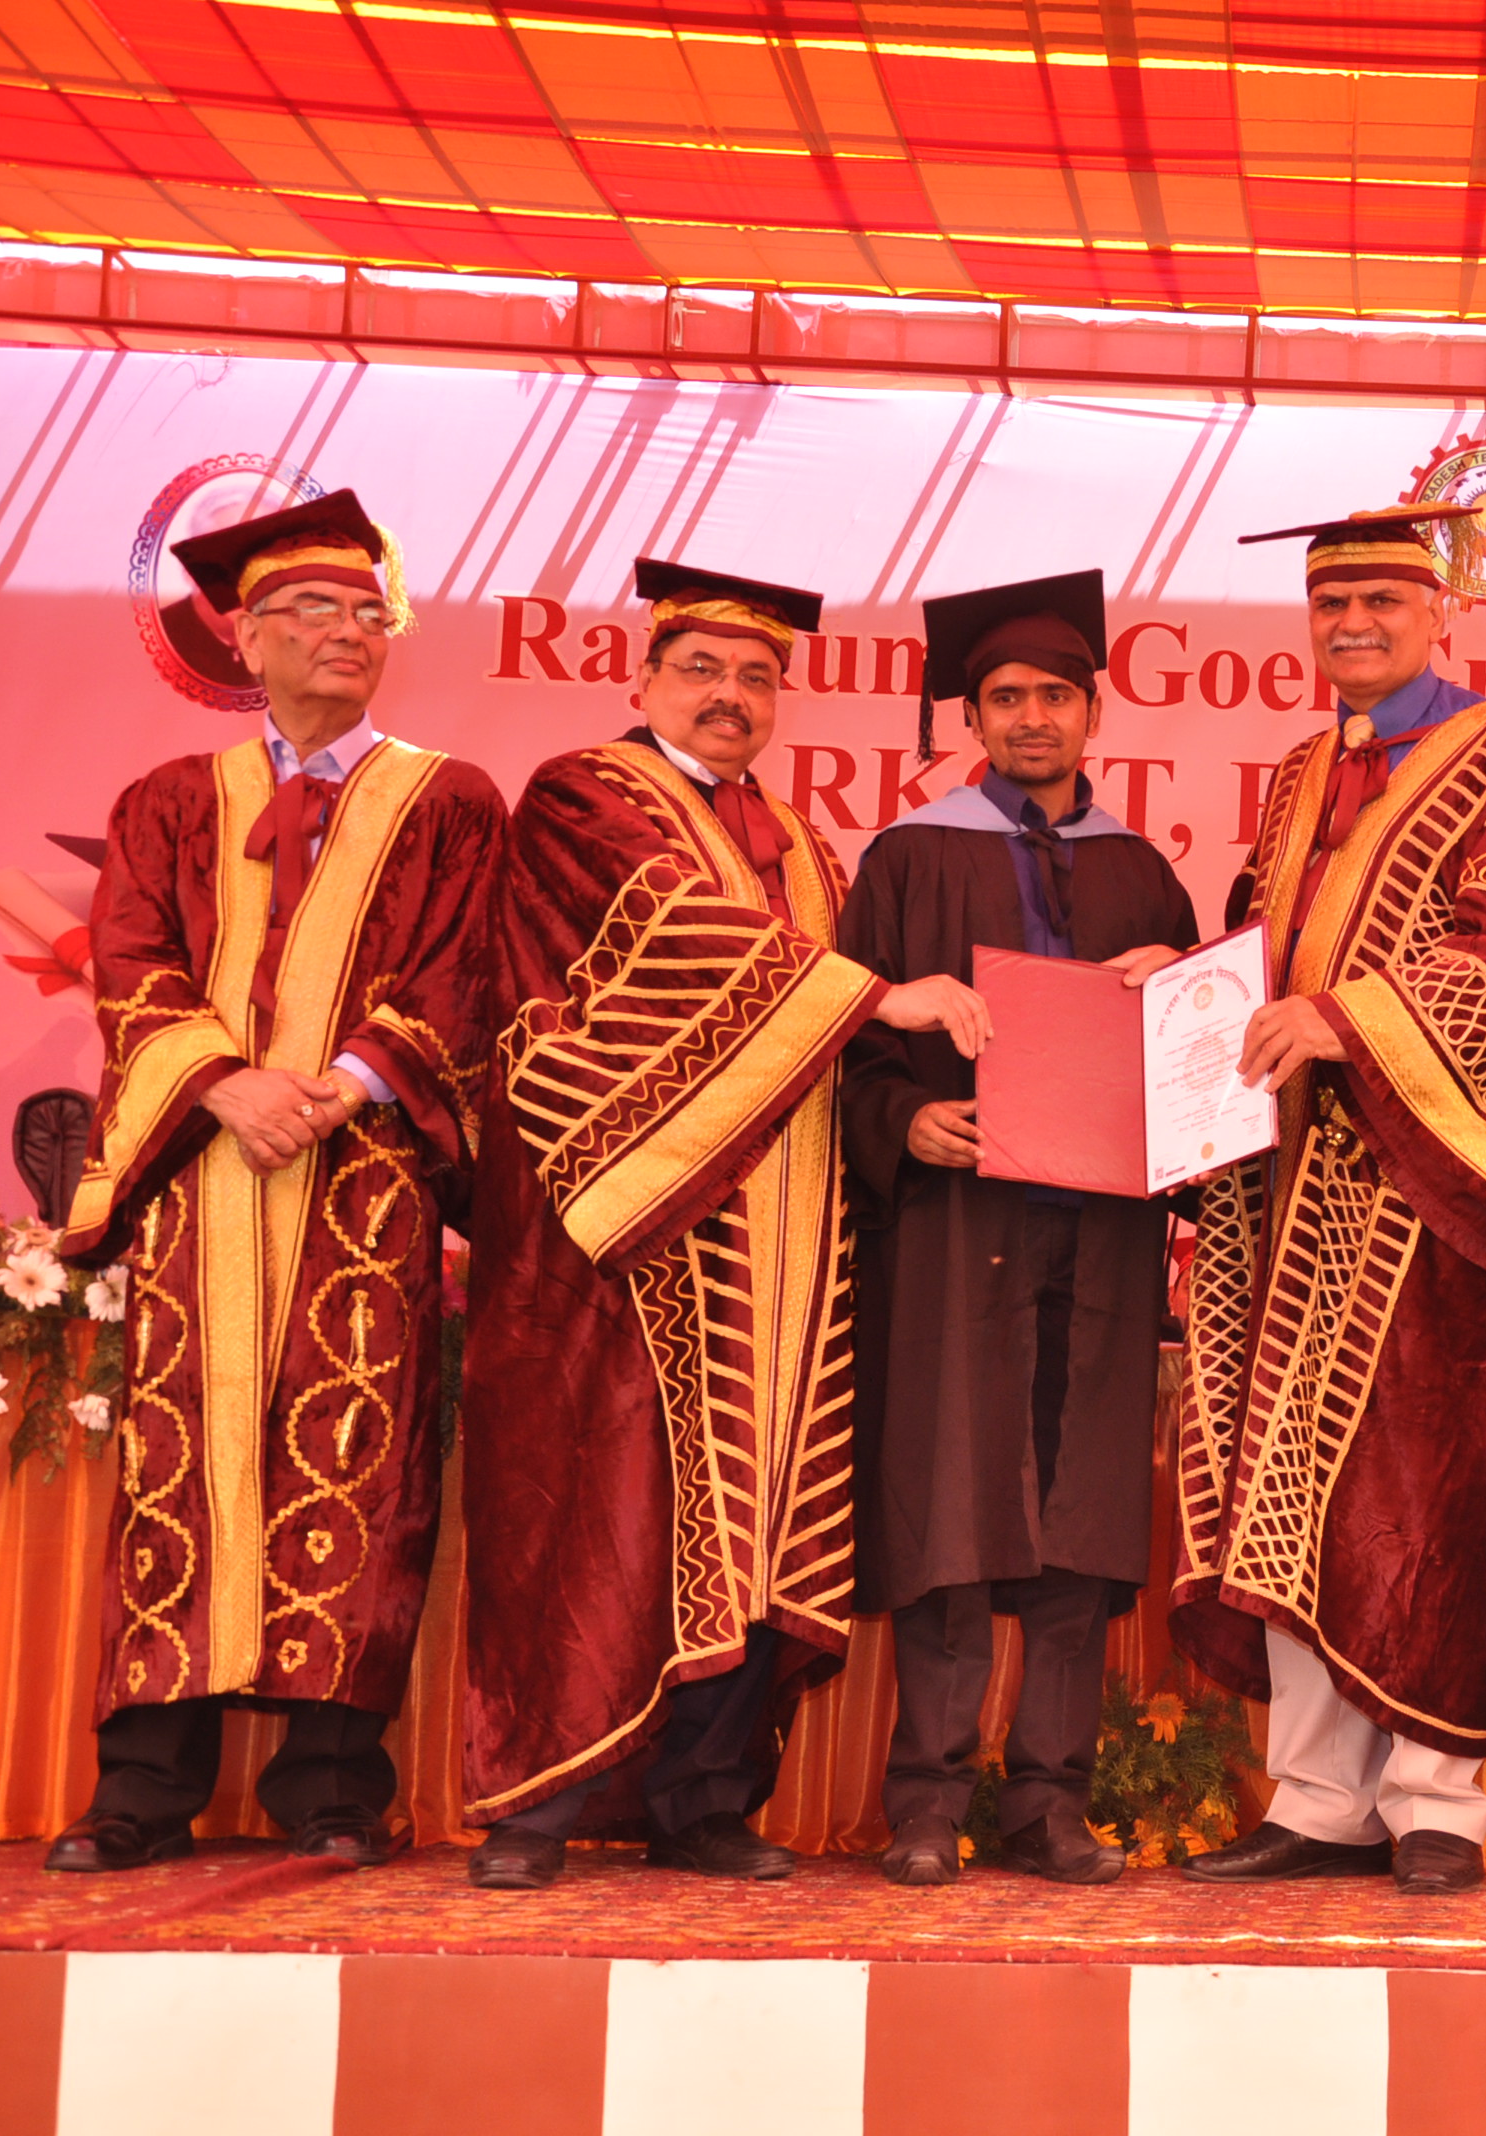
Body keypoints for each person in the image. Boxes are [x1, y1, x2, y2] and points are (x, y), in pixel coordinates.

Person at [459, 560, 990, 1890]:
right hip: (624, 1236)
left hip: (784, 1238)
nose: (731, 696)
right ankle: (539, 1801)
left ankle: (701, 1798)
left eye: (758, 677)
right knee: (600, 1508)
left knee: (758, 1521)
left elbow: (815, 1038)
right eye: (702, 670)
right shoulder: (583, 794)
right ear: (643, 679)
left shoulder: (803, 845)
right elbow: (667, 935)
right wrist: (875, 996)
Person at [47, 492, 504, 1873]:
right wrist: (224, 1085)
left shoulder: (447, 800)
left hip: (364, 1182)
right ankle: (143, 1786)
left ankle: (333, 1787)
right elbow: (130, 960)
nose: (348, 632)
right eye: (313, 610)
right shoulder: (172, 800)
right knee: (180, 1462)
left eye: (370, 612)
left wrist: (350, 1083)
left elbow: (463, 972)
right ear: (245, 638)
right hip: (203, 1182)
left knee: (354, 1462)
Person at [1171, 504, 1486, 1898]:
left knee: (1426, 1488)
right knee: (1286, 1477)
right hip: (1291, 1184)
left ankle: (1435, 1801)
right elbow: (1273, 940)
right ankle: (1317, 1800)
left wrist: (1350, 1022)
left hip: (1436, 1184)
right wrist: (1187, 991)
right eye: (1331, 604)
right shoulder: (1302, 772)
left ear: (1441, 614)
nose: (1353, 625)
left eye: (1382, 602)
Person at [840, 571, 1199, 1887]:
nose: (1032, 717)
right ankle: (927, 1804)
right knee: (949, 1508)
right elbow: (846, 1038)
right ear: (972, 715)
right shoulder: (908, 857)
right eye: (1006, 697)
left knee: (1079, 1524)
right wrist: (904, 1123)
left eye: (1055, 695)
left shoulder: (1142, 875)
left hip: (1098, 1239)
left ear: (1094, 712)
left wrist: (1183, 988)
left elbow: (1198, 1068)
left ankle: (1049, 1803)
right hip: (954, 1232)